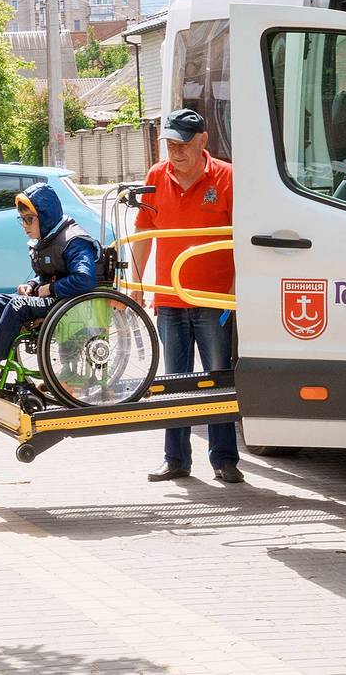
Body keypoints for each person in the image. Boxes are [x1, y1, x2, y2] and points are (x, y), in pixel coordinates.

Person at [130, 108, 243, 484]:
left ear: (202, 142)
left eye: (182, 145)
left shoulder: (227, 178)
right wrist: (135, 283)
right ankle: (175, 459)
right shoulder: (155, 177)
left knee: (217, 379)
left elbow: (244, 239)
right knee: (174, 380)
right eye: (170, 145)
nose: (175, 153)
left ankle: (225, 459)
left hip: (214, 301)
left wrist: (234, 291)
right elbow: (143, 230)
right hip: (170, 299)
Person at [0, 182, 99, 384]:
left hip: (71, 303)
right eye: (23, 220)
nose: (26, 225)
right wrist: (33, 285)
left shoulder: (74, 240)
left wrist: (52, 288)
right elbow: (49, 273)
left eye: (30, 219)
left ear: (45, 217)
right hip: (55, 298)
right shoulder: (48, 238)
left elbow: (85, 278)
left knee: (17, 305)